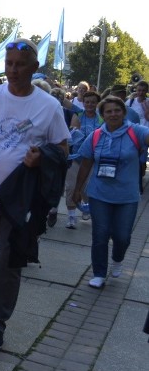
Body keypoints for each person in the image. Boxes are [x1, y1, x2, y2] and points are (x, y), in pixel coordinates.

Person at [0, 38, 70, 350]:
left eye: (20, 65)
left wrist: (42, 156)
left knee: (8, 262)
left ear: (34, 68)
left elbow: (64, 150)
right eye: (10, 63)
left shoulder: (48, 106)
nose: (13, 70)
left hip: (20, 197)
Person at [72, 95, 149, 288]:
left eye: (117, 110)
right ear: (102, 115)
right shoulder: (96, 135)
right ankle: (99, 273)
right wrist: (78, 189)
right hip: (100, 194)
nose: (113, 114)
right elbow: (86, 162)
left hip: (127, 196)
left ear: (123, 112)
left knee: (122, 236)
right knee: (100, 234)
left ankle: (118, 258)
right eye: (108, 111)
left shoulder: (136, 132)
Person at [63, 90, 102, 228]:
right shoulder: (77, 114)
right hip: (75, 157)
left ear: (98, 103)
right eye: (87, 102)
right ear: (83, 103)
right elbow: (62, 99)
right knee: (71, 186)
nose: (90, 104)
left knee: (87, 188)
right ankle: (71, 217)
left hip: (92, 159)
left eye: (93, 102)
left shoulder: (102, 119)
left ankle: (86, 209)